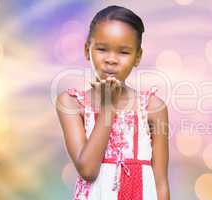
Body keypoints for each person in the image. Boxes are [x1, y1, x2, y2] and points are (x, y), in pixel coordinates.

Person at [55, 5, 170, 200]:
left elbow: (161, 183)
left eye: (124, 52)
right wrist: (108, 107)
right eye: (101, 49)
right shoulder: (71, 103)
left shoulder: (153, 107)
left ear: (138, 57)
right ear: (86, 50)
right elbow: (88, 170)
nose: (111, 59)